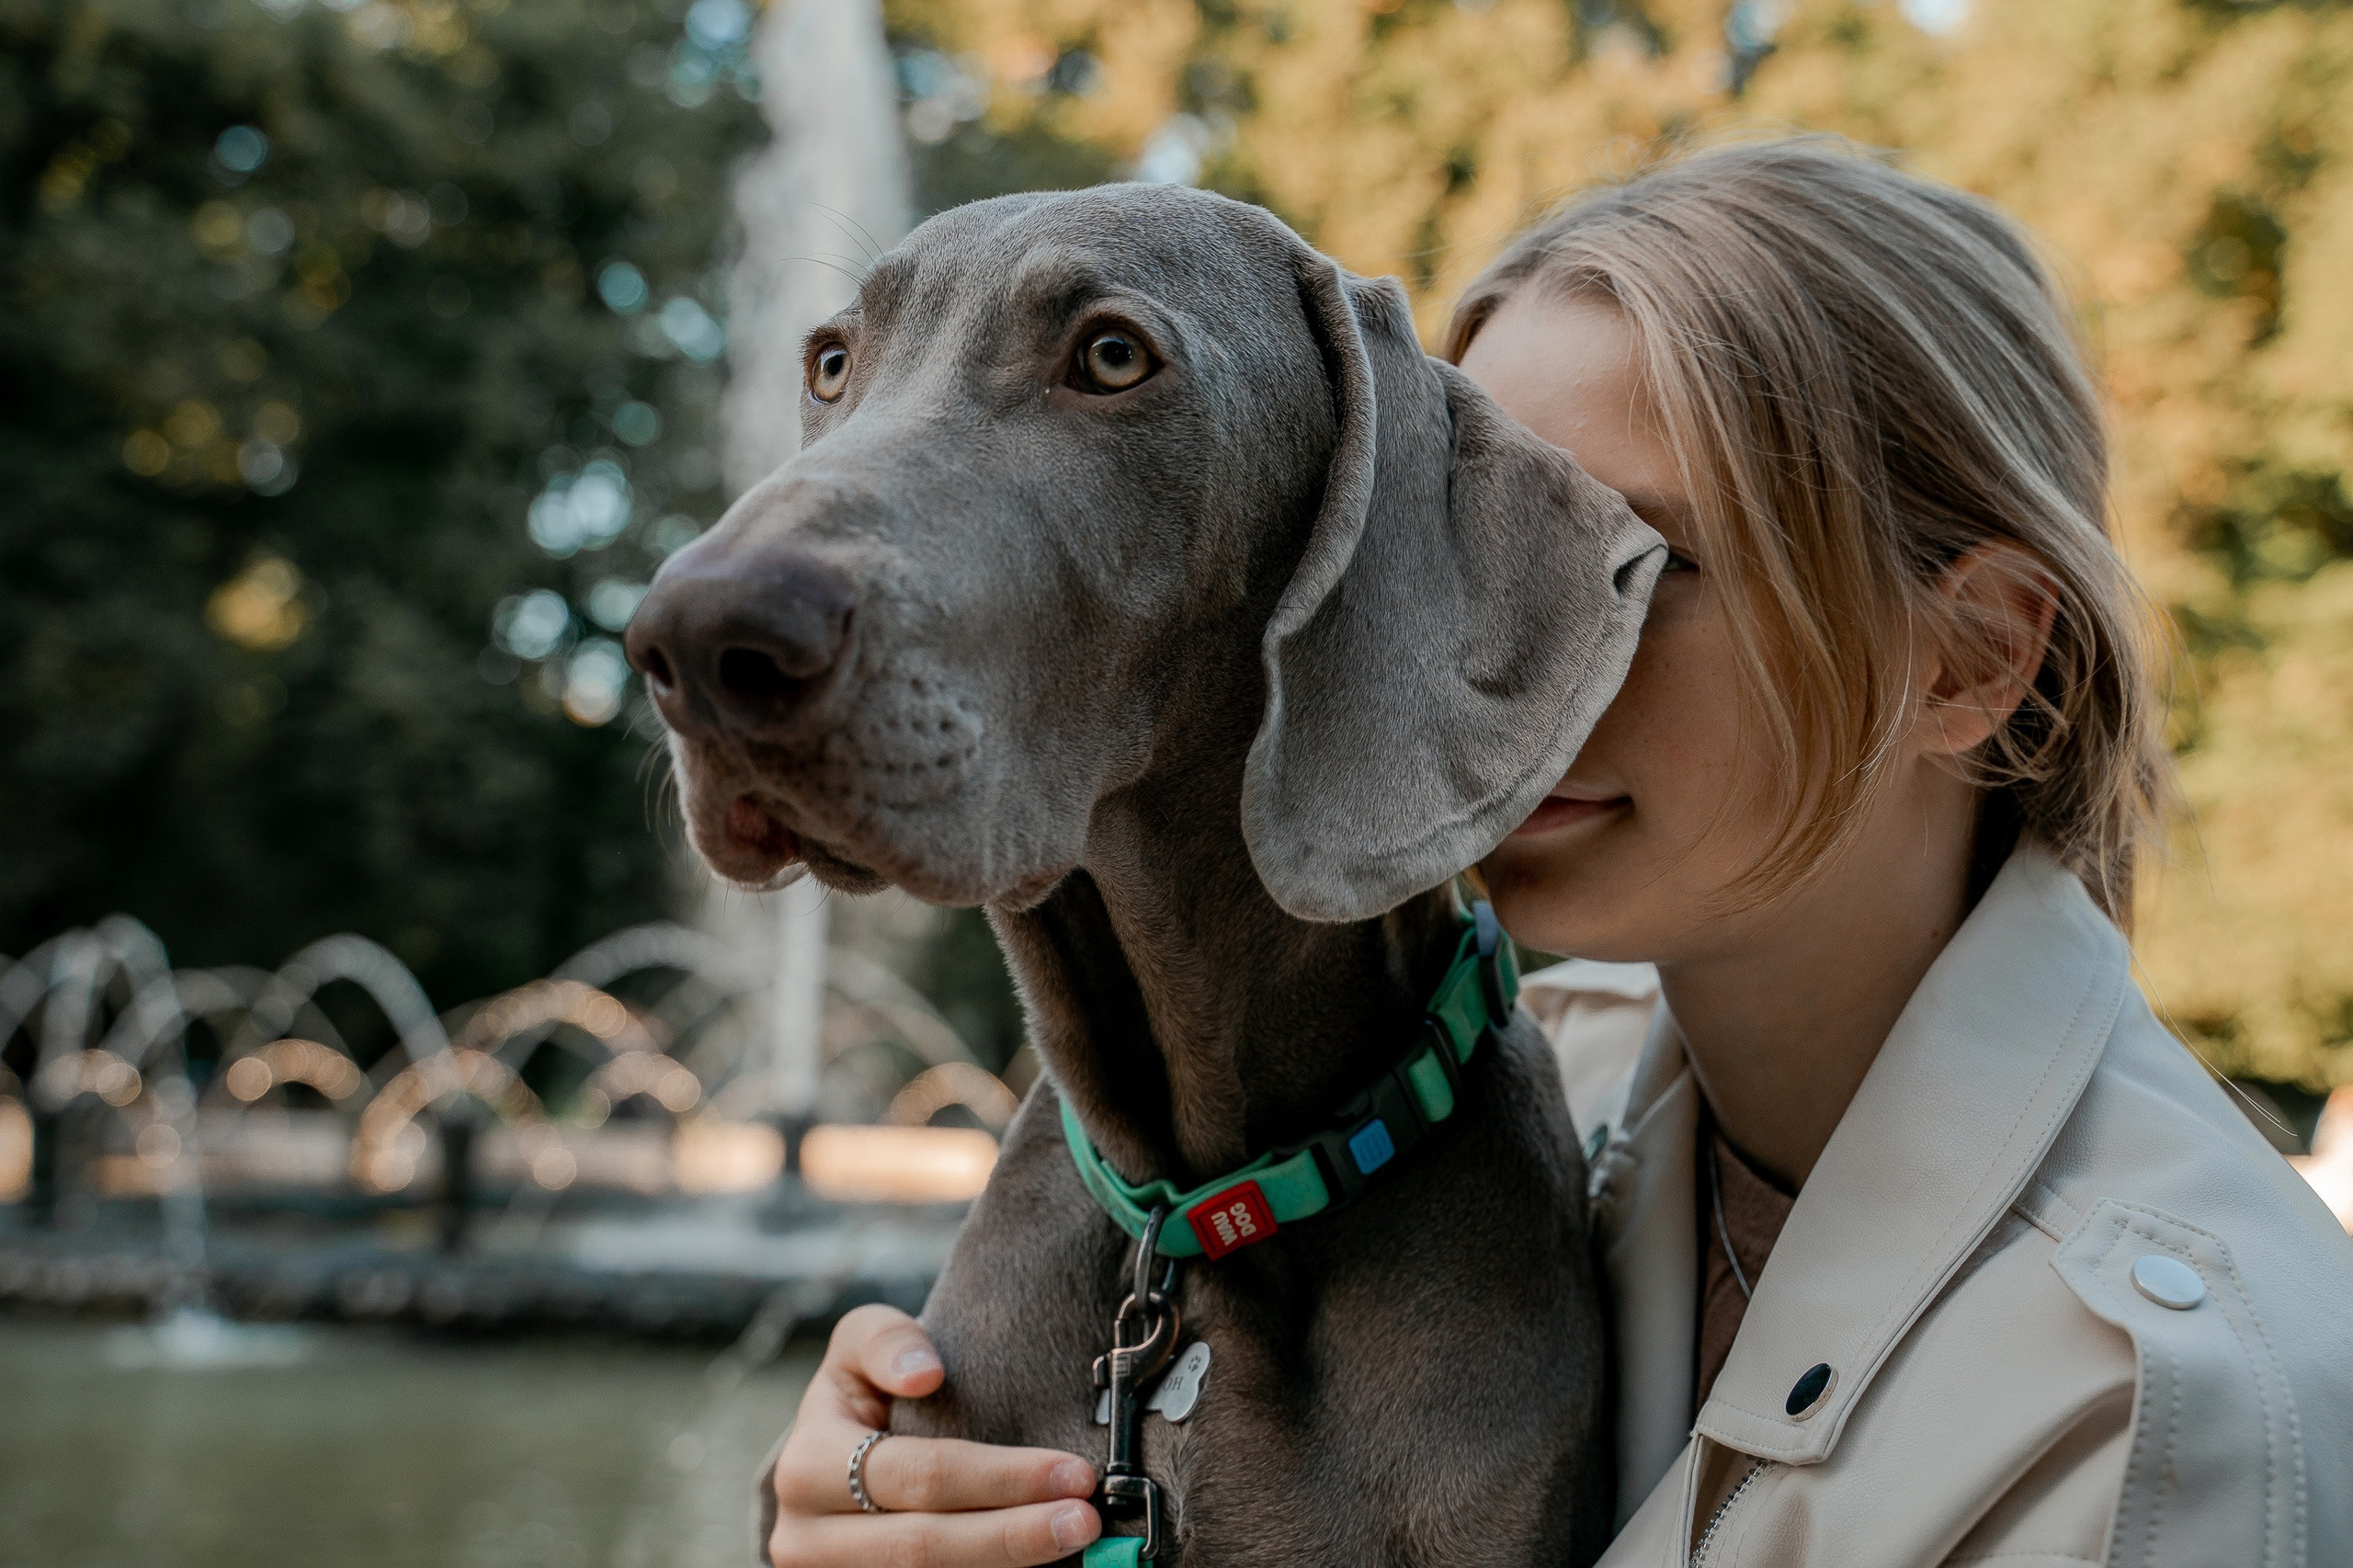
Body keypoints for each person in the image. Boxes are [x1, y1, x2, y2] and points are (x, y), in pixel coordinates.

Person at [757, 138, 2353, 1567]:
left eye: (1627, 566)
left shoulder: (2161, 1420)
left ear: (1968, 662)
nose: (1475, 662)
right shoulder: (1486, 1097)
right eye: (1452, 544)